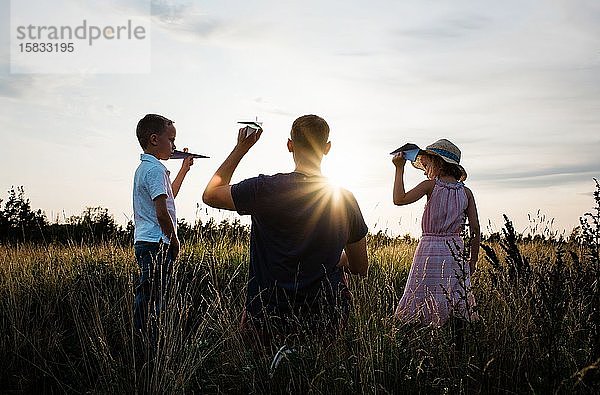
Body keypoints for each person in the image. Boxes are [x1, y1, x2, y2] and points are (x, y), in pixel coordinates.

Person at [202, 114, 369, 343]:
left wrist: (241, 148)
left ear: (289, 145)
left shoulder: (263, 189)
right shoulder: (344, 198)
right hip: (325, 319)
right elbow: (360, 267)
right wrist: (336, 258)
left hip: (265, 317)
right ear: (327, 148)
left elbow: (211, 194)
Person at [392, 138, 480, 327]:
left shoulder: (430, 186)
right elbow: (475, 229)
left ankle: (422, 334)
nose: (425, 168)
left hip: (429, 251)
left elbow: (399, 199)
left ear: (438, 164)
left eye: (427, 163)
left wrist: (399, 168)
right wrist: (473, 260)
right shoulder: (467, 193)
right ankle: (453, 335)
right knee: (453, 297)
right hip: (455, 251)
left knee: (422, 293)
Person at [132, 113, 194, 334]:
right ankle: (148, 340)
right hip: (156, 242)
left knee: (150, 293)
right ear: (154, 139)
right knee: (154, 297)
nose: (174, 146)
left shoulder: (146, 169)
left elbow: (169, 197)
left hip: (145, 240)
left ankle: (146, 337)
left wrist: (184, 170)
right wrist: (174, 240)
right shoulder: (156, 170)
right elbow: (161, 213)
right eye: (171, 140)